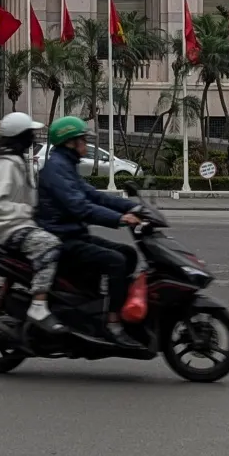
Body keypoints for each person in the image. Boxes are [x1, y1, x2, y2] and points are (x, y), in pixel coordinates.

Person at [35, 115, 142, 331]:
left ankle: (98, 301)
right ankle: (112, 321)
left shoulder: (65, 165)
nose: (86, 144)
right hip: (62, 240)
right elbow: (80, 206)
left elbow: (93, 195)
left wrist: (131, 207)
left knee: (129, 254)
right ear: (70, 143)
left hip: (73, 235)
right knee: (117, 261)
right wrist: (120, 219)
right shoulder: (56, 169)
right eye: (82, 140)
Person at [0, 111, 65, 333]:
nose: (33, 137)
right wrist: (27, 210)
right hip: (3, 228)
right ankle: (39, 305)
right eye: (30, 133)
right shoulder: (5, 163)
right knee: (49, 244)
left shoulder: (16, 160)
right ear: (20, 136)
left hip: (15, 224)